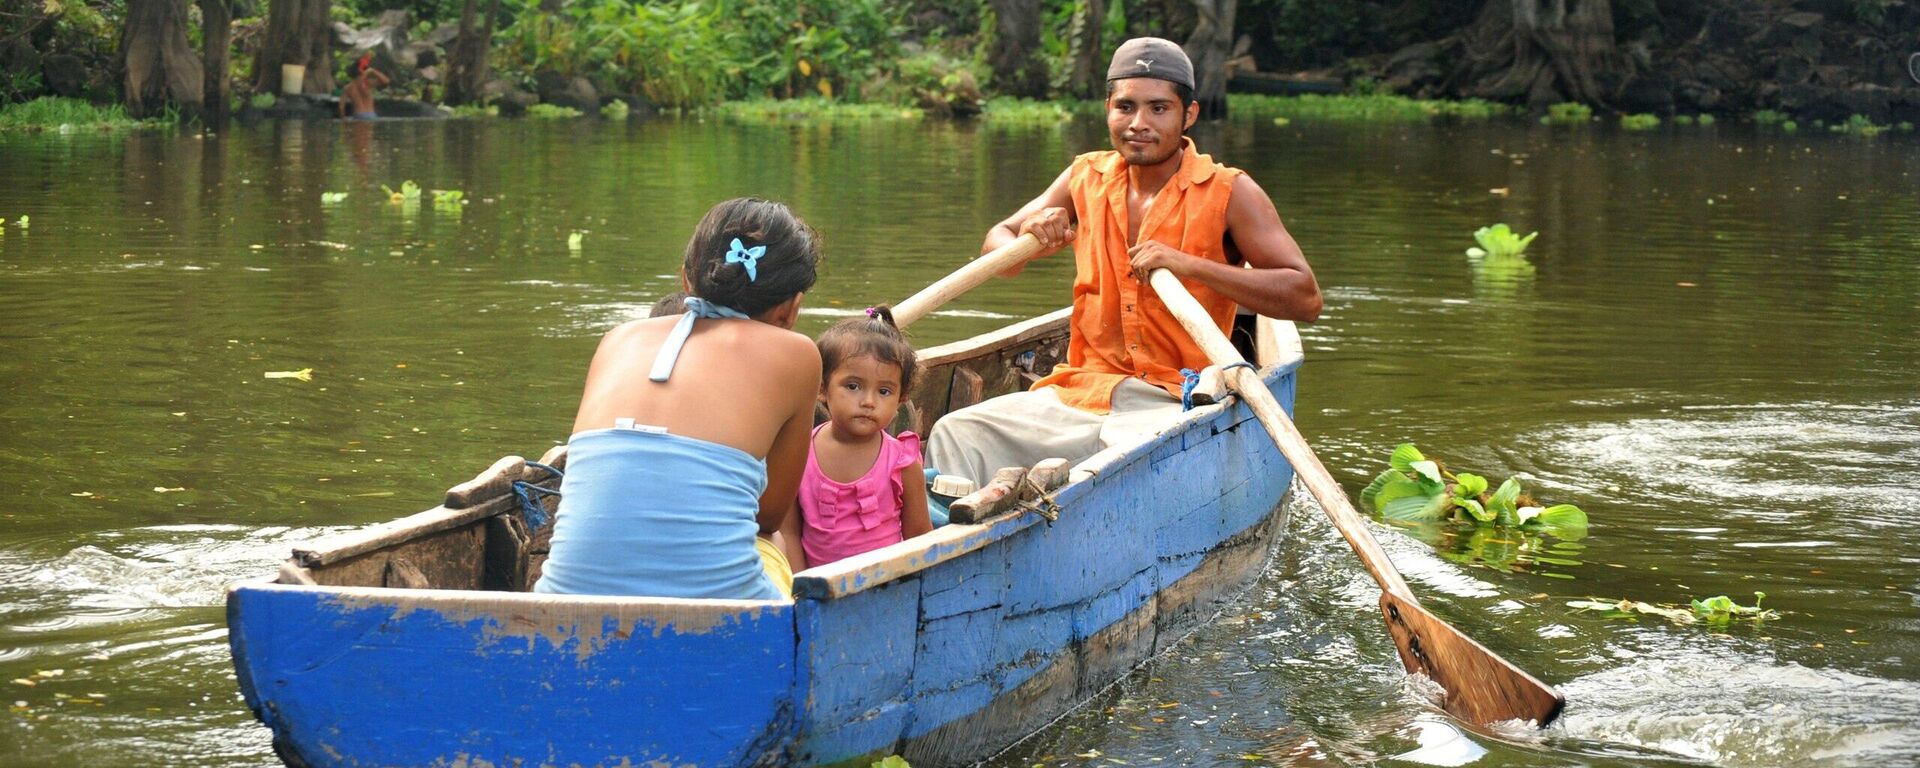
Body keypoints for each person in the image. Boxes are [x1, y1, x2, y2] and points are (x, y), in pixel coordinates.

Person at [925, 37, 1323, 485]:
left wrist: (1190, 265)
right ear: (1108, 108)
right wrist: (1035, 231)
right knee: (957, 432)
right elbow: (1000, 248)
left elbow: (1305, 299)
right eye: (1126, 107)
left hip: (1175, 401)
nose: (1139, 123)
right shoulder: (1085, 176)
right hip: (1079, 392)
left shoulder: (1230, 191)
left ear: (1188, 114)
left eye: (1158, 108)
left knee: (1123, 470)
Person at [534, 198, 822, 600]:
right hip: (723, 609)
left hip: (560, 600)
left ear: (686, 280)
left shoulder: (618, 338)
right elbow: (769, 514)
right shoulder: (799, 354)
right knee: (773, 543)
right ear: (792, 307)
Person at [781, 306, 934, 569]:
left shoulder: (903, 462)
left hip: (888, 590)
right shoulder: (799, 453)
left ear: (902, 399)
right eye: (853, 386)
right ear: (821, 388)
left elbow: (919, 537)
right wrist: (800, 590)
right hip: (818, 596)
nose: (868, 402)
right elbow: (788, 533)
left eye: (884, 391)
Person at [339, 54, 389, 120]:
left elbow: (341, 107)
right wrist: (373, 71)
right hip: (371, 114)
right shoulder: (368, 83)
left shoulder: (347, 87)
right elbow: (386, 81)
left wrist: (343, 119)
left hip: (358, 115)